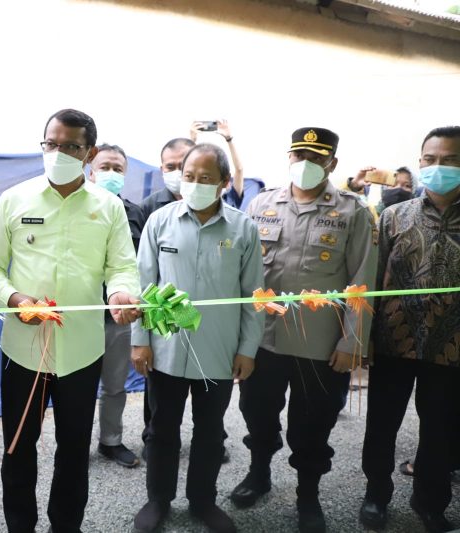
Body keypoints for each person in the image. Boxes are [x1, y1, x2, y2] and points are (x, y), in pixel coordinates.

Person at [0, 108, 141, 533]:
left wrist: (121, 292)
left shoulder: (108, 207)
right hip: (23, 349)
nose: (59, 152)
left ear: (90, 153)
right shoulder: (15, 198)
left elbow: (121, 267)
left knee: (73, 449)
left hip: (82, 350)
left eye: (71, 146)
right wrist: (14, 298)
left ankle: (65, 526)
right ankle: (21, 527)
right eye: (52, 143)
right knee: (18, 447)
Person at [231, 127, 378, 533]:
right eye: (299, 156)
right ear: (289, 158)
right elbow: (243, 276)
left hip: (322, 343)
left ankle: (308, 494)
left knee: (313, 424)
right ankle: (258, 473)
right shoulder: (261, 203)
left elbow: (364, 281)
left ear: (332, 164)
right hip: (264, 340)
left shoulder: (354, 211)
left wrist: (353, 342)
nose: (306, 165)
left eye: (316, 159)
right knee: (257, 414)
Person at [131, 143, 263, 533]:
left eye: (205, 179)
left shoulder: (243, 228)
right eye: (189, 177)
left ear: (224, 182)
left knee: (209, 432)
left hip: (219, 352)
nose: (195, 184)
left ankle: (203, 501)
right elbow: (144, 285)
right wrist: (140, 340)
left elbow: (253, 295)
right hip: (165, 349)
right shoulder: (160, 221)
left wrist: (247, 349)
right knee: (162, 428)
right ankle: (158, 500)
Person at [359, 126, 460, 533]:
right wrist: (363, 339)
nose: (438, 167)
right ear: (419, 162)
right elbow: (371, 283)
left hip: (452, 349)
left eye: (449, 160)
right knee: (381, 425)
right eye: (430, 159)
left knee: (442, 431)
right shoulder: (393, 217)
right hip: (392, 343)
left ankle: (431, 502)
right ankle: (375, 496)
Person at [88, 143, 145, 468]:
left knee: (115, 385)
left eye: (118, 168)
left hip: (120, 319)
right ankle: (73, 444)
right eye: (105, 166)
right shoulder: (77, 209)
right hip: (82, 317)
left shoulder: (135, 213)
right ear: (90, 170)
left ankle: (111, 441)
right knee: (76, 389)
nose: (111, 173)